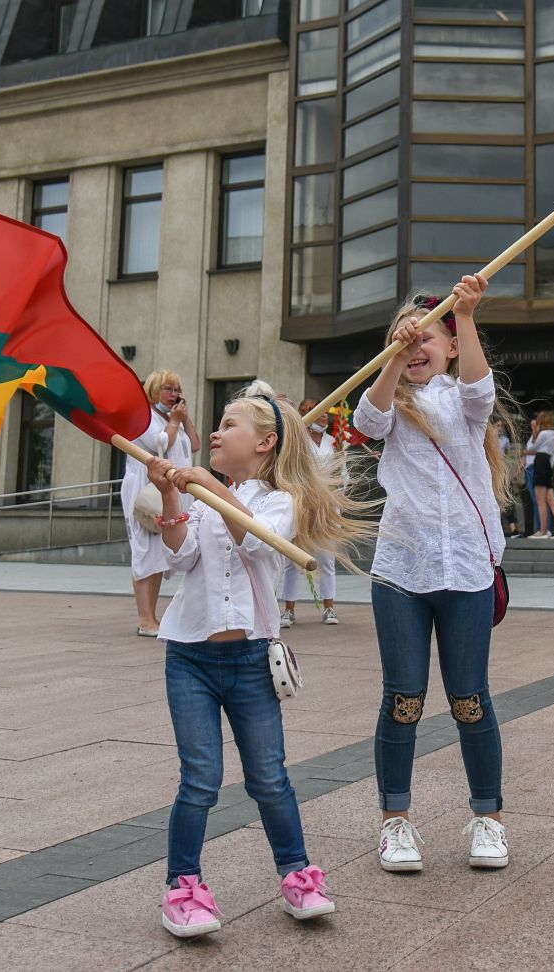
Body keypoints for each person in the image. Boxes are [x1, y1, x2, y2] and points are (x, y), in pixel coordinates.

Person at [142, 392, 368, 938]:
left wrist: (207, 485)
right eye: (217, 425)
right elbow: (180, 555)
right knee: (200, 779)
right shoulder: (205, 498)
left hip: (250, 660)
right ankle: (183, 887)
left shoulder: (280, 501)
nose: (215, 433)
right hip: (189, 657)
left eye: (228, 424)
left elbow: (256, 538)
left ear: (265, 442)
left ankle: (297, 875)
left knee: (269, 777)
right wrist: (171, 495)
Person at [354, 279, 515, 875]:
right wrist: (393, 361)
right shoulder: (394, 403)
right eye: (407, 338)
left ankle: (488, 819)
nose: (417, 346)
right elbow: (367, 422)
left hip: (467, 570)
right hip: (401, 571)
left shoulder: (464, 402)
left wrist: (465, 316)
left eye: (429, 339)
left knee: (470, 698)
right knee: (404, 699)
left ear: (449, 348)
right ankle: (395, 821)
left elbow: (480, 390)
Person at [120, 370, 200, 636]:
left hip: (167, 492)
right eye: (168, 389)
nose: (173, 394)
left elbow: (195, 445)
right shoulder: (144, 417)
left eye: (177, 389)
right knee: (145, 552)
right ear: (154, 390)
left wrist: (183, 418)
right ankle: (145, 620)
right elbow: (159, 444)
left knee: (157, 555)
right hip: (145, 491)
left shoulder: (170, 418)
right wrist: (174, 422)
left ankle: (151, 617)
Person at [280, 397, 340, 627]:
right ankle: (289, 610)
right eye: (317, 411)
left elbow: (340, 473)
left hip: (327, 505)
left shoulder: (333, 441)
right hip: (303, 503)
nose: (323, 415)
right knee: (293, 558)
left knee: (326, 557)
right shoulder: (298, 441)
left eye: (325, 411)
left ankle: (329, 608)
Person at [526, 410, 554, 539]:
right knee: (551, 500)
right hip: (547, 465)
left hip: (540, 463)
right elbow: (552, 455)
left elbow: (531, 448)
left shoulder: (543, 434)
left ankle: (543, 531)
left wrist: (535, 433)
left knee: (540, 500)